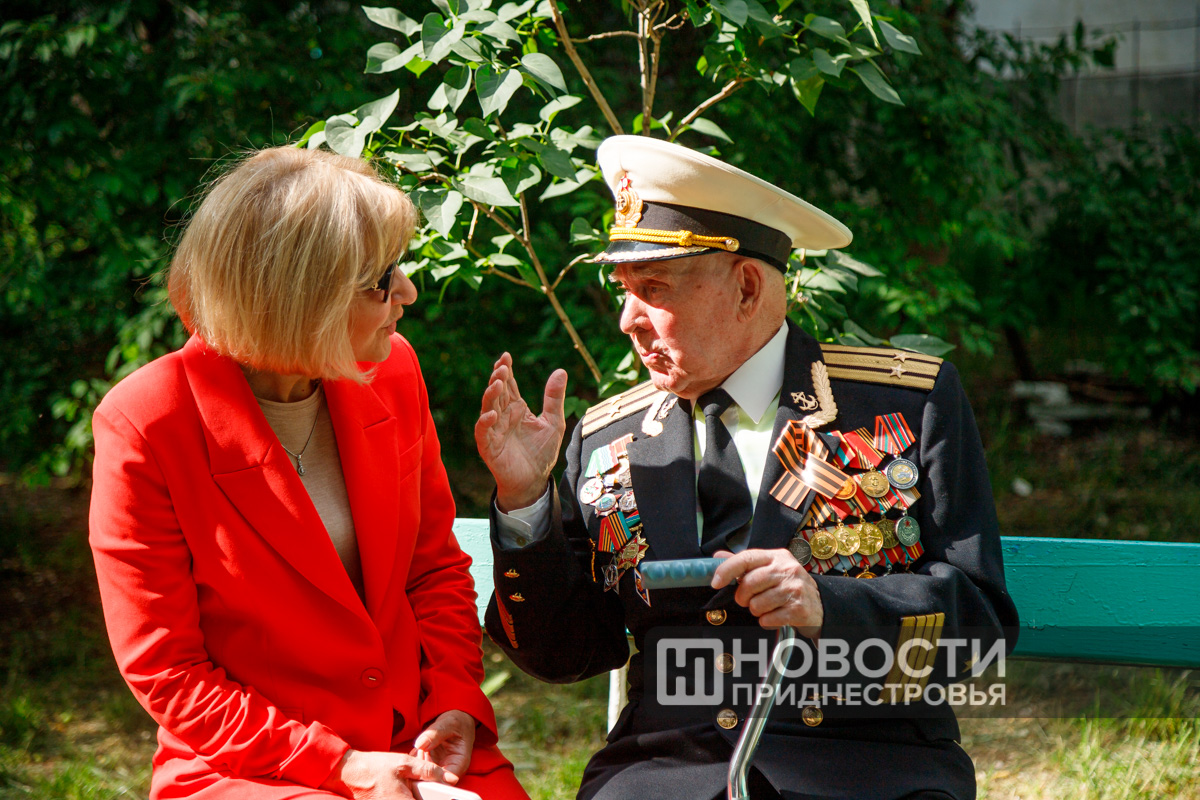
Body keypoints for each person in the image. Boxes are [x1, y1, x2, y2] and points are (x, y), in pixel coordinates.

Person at [475, 136, 1018, 800]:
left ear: (748, 287)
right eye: (624, 290)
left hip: (867, 771)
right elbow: (561, 653)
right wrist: (525, 500)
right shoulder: (609, 437)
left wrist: (829, 609)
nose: (626, 320)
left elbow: (978, 637)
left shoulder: (905, 405)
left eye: (653, 289)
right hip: (663, 775)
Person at [89, 146, 529, 800]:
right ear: (301, 297)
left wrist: (455, 701)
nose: (407, 292)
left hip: (415, 742)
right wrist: (343, 767)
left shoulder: (394, 370)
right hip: (251, 766)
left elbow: (433, 569)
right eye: (382, 279)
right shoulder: (147, 421)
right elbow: (169, 672)